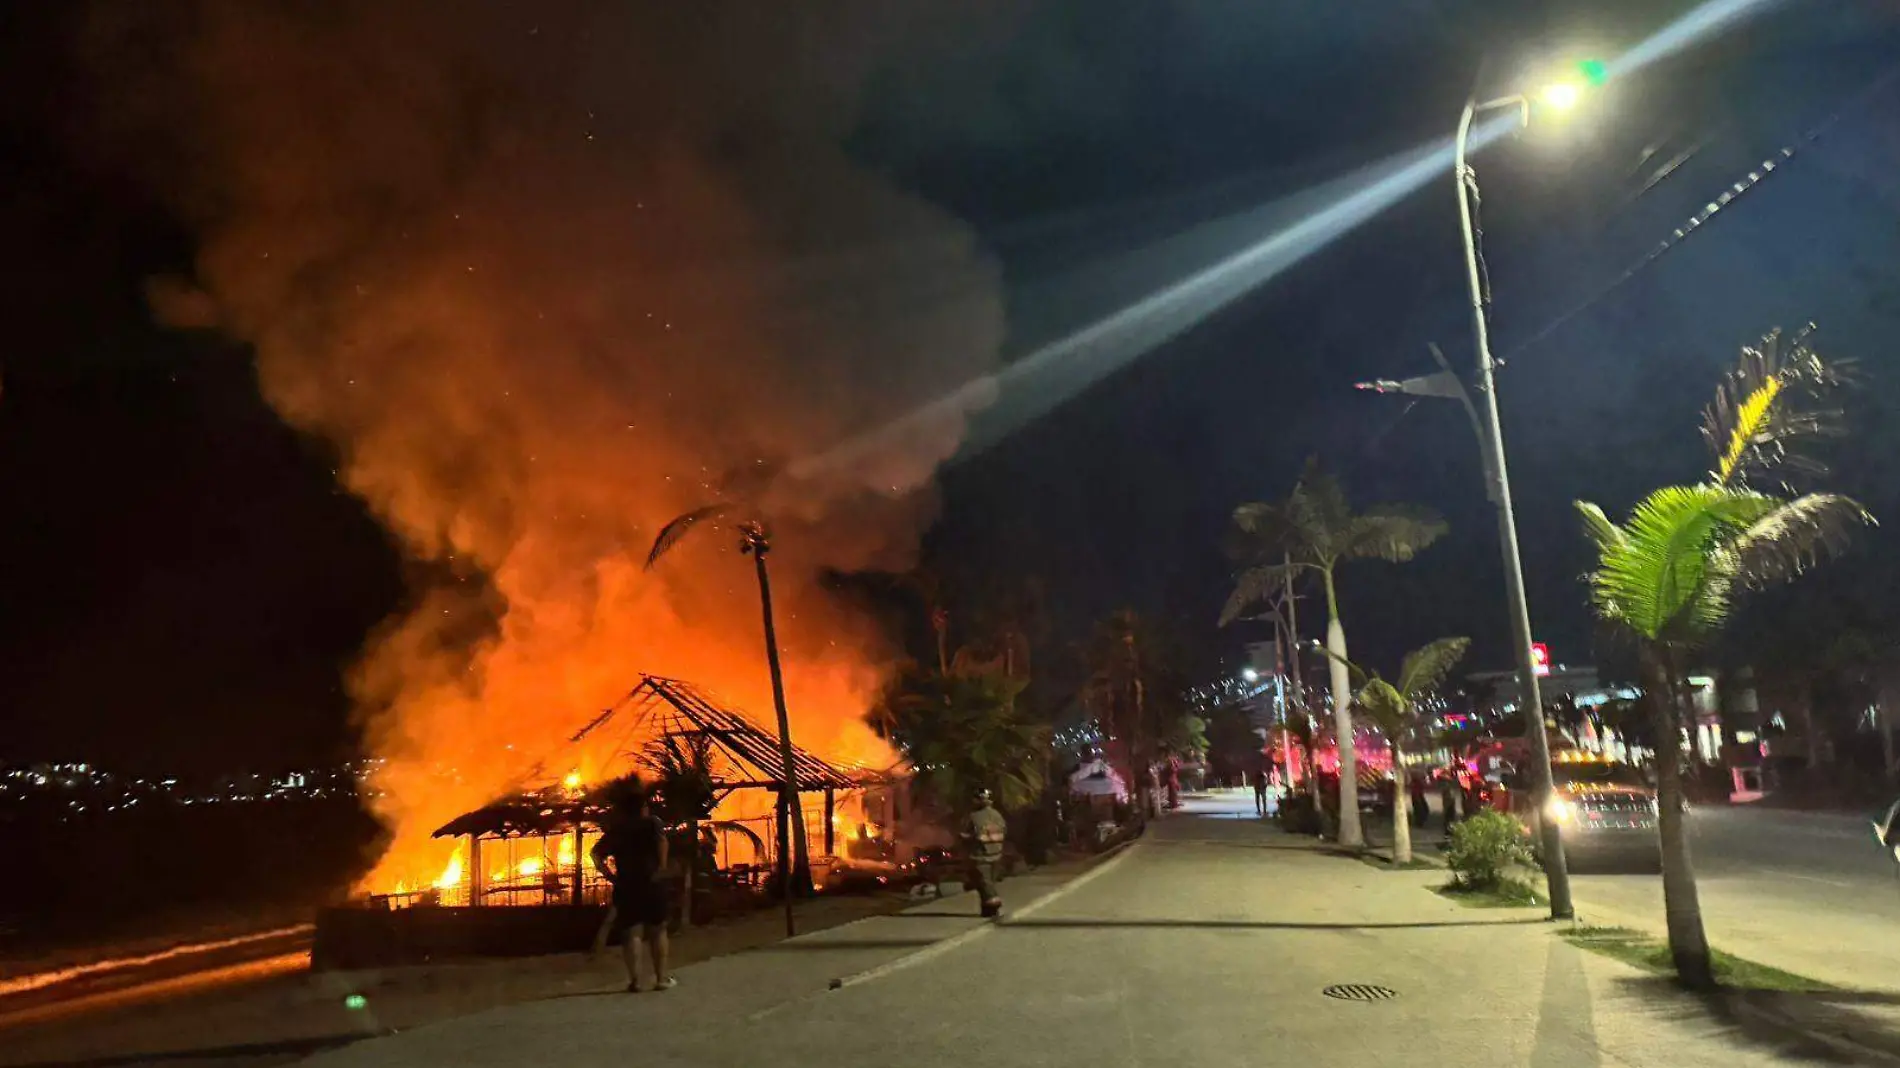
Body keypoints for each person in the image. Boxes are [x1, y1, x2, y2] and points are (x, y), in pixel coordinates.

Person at [591, 782, 674, 992]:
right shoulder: (653, 823)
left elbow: (596, 854)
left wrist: (610, 876)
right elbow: (662, 842)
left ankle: (636, 981)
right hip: (652, 882)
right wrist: (662, 867)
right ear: (643, 806)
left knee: (632, 933)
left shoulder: (617, 829)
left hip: (627, 884)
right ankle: (661, 979)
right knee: (657, 930)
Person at [963, 788, 1008, 918]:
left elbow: (969, 834)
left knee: (984, 883)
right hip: (996, 853)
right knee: (988, 882)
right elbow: (1004, 831)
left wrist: (963, 837)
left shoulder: (973, 817)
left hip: (980, 855)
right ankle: (988, 911)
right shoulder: (997, 815)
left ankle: (994, 901)